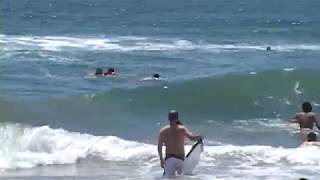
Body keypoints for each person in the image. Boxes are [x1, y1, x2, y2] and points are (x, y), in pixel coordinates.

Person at [158, 110, 202, 176]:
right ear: (177, 118)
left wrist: (161, 160)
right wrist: (199, 137)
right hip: (180, 159)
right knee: (183, 177)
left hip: (169, 159)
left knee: (168, 178)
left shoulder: (163, 131)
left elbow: (159, 147)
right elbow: (192, 138)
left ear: (168, 118)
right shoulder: (182, 129)